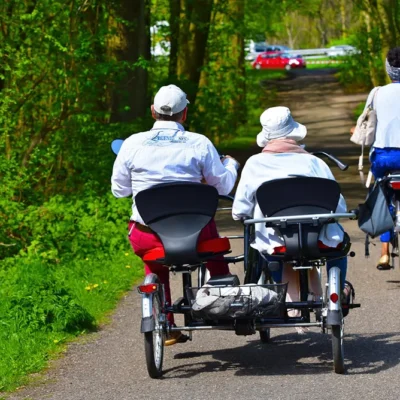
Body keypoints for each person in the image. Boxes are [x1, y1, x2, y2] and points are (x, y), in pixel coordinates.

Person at [111, 84, 239, 345]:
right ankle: (224, 302)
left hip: (149, 236)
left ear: (152, 111)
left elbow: (119, 190)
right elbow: (223, 186)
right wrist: (232, 166)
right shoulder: (199, 143)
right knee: (213, 247)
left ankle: (165, 322)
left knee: (155, 263)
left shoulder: (132, 143)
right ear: (184, 114)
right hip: (195, 236)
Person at [232, 106, 350, 329]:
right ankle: (339, 289)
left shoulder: (254, 164)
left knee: (266, 251)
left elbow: (239, 210)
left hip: (277, 243)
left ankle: (283, 294)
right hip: (319, 239)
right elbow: (339, 204)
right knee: (339, 245)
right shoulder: (316, 163)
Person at [351, 47, 400, 270]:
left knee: (381, 196)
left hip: (384, 158)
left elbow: (368, 123)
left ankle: (384, 252)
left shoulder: (377, 93)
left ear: (389, 70)